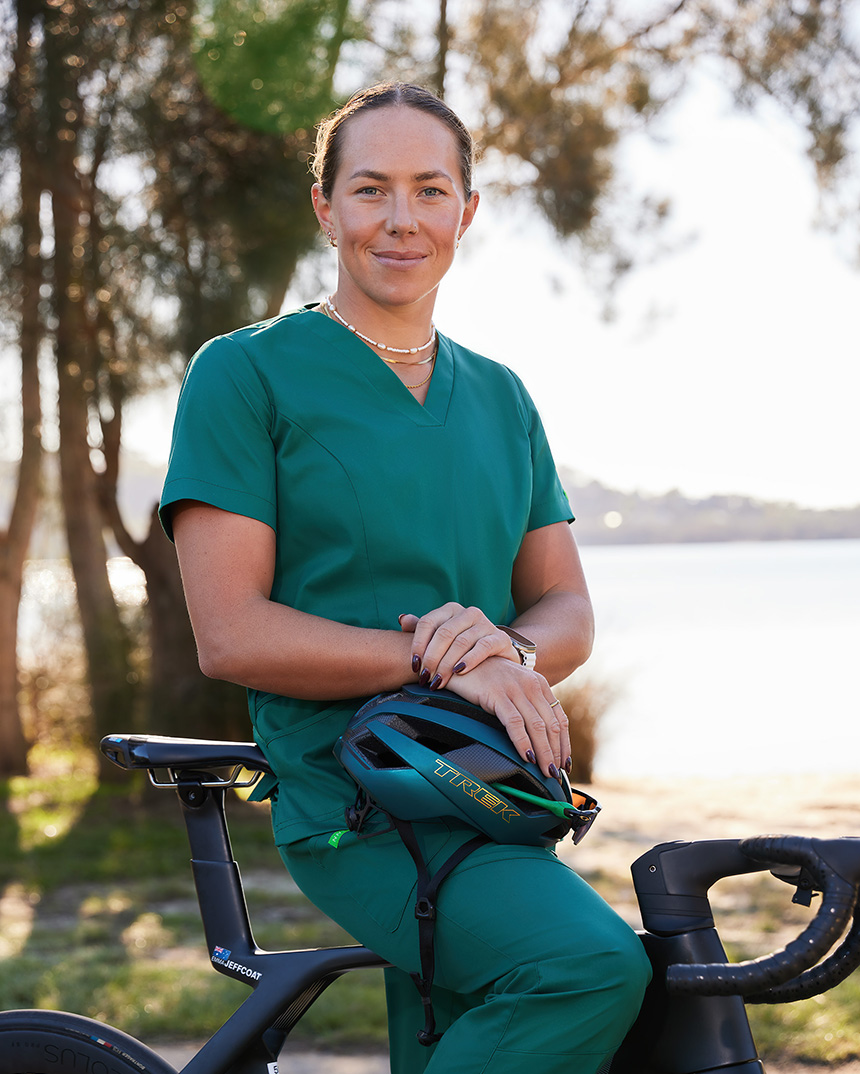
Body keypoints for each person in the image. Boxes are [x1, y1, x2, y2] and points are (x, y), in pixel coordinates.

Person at [160, 81, 651, 1074]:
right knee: (587, 968)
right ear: (325, 207)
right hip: (351, 795)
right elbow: (231, 633)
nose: (400, 220)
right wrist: (441, 661)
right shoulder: (244, 373)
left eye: (429, 191)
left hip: (485, 783)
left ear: (465, 212)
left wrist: (500, 651)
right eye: (370, 189)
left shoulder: (501, 395)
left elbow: (565, 611)